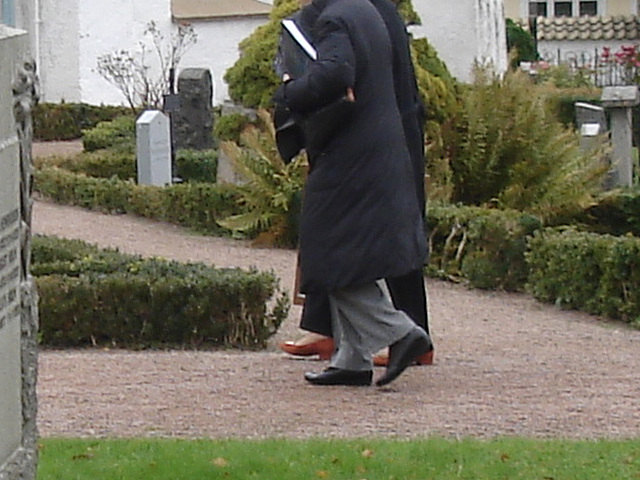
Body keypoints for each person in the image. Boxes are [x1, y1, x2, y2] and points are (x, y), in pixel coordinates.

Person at [273, 0, 432, 386]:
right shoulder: (368, 11)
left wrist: (291, 92)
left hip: (350, 152)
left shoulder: (335, 19)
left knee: (326, 251)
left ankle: (399, 331)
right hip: (378, 147)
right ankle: (352, 358)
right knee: (351, 252)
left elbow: (337, 72)